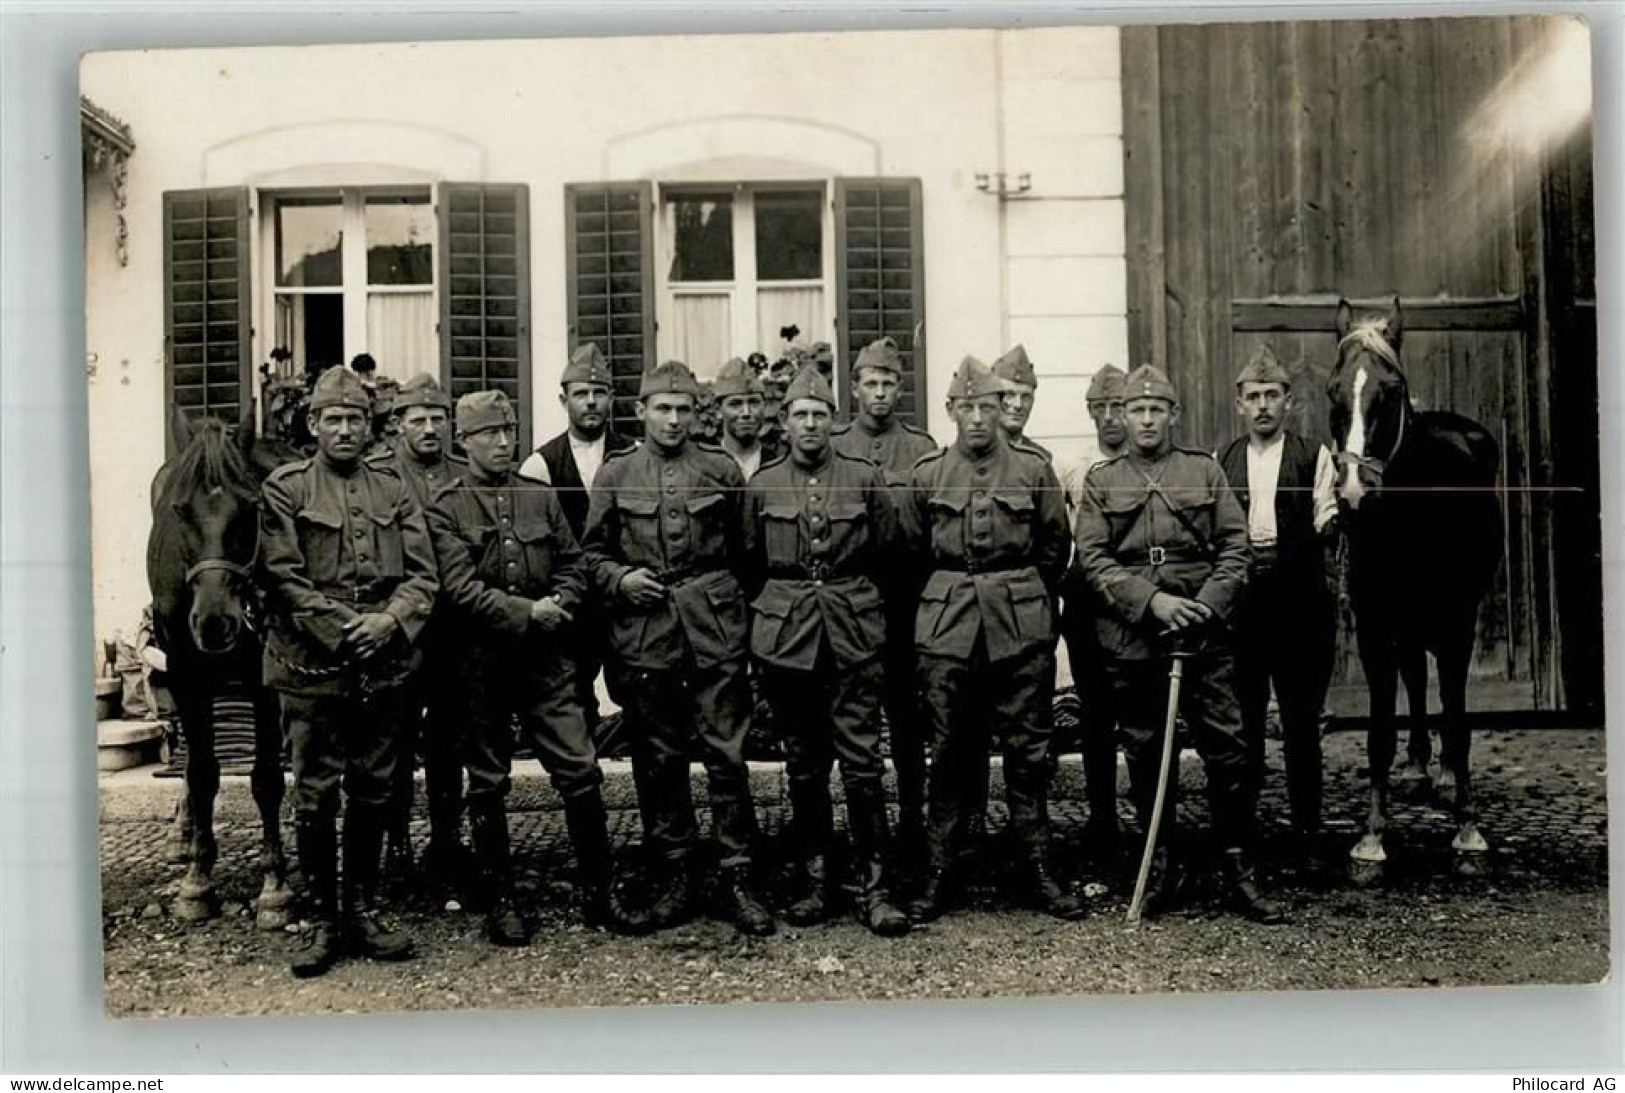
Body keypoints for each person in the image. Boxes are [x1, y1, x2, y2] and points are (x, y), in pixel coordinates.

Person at [426, 390, 650, 944]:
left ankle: (600, 895)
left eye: (508, 432)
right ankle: (501, 900)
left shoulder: (539, 497)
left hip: (547, 661)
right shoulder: (446, 507)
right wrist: (530, 612)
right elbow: (460, 589)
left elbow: (574, 563)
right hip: (481, 664)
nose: (502, 443)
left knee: (579, 767)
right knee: (488, 779)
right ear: (465, 442)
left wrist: (563, 605)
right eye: (488, 435)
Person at [1073, 364, 1285, 923]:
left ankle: (1238, 865)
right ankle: (1160, 859)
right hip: (1135, 638)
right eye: (1136, 410)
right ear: (1122, 415)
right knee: (1145, 751)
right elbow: (1093, 560)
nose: (1145, 419)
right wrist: (1152, 603)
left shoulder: (1204, 471)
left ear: (1174, 415)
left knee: (1230, 747)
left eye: (1156, 409)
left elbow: (1236, 547)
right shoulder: (1102, 481)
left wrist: (1206, 607)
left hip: (1204, 637)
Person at [580, 360, 774, 937]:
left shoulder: (718, 469)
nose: (672, 419)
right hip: (646, 635)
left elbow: (749, 555)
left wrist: (727, 608)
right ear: (640, 412)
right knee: (658, 759)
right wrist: (620, 579)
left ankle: (737, 874)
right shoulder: (616, 474)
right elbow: (590, 555)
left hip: (714, 629)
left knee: (727, 754)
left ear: (697, 414)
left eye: (683, 409)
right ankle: (677, 873)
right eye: (661, 409)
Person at [258, 366, 438, 977]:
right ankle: (319, 920)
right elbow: (283, 578)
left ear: (370, 426)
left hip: (386, 664)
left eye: (354, 419)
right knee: (314, 791)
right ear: (312, 425)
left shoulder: (394, 488)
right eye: (332, 419)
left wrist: (389, 621)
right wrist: (346, 626)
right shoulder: (286, 489)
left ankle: (362, 910)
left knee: (374, 787)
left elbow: (423, 575)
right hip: (311, 666)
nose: (344, 429)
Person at [901, 356, 1083, 923]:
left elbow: (1054, 547)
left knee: (1028, 756)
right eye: (967, 407)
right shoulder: (930, 473)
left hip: (1019, 629)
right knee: (950, 752)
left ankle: (1039, 870)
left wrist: (1025, 599)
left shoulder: (1032, 469)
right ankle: (938, 873)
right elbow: (911, 553)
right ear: (951, 411)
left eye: (988, 406)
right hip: (948, 631)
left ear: (1002, 408)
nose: (978, 417)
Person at [741, 366, 910, 937]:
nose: (810, 424)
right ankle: (814, 882)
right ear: (784, 424)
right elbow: (749, 566)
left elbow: (890, 556)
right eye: (799, 416)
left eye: (819, 415)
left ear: (833, 421)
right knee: (805, 766)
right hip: (788, 640)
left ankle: (876, 886)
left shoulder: (862, 477)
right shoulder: (762, 485)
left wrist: (866, 614)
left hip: (853, 634)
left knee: (862, 765)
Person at [1217, 347, 1340, 853]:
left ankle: (1307, 829)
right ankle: (1243, 834)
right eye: (1253, 398)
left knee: (1300, 722)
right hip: (1244, 607)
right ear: (1240, 405)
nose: (1263, 406)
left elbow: (1327, 522)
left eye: (1272, 396)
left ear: (1289, 402)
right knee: (1243, 721)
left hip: (1300, 604)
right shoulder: (1221, 459)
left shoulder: (1315, 455)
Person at [830, 336, 938, 848]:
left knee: (907, 715)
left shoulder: (921, 448)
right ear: (854, 389)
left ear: (901, 389)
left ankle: (915, 821)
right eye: (870, 383)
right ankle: (859, 832)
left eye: (888, 383)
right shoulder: (832, 447)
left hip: (904, 599)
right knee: (853, 716)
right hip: (850, 601)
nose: (880, 393)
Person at [517, 343, 637, 732]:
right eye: (581, 395)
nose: (590, 403)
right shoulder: (540, 464)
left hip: (622, 594)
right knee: (573, 689)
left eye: (599, 393)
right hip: (572, 601)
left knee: (634, 685)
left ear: (612, 399)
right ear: (563, 400)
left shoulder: (633, 455)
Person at [380, 373, 469, 887]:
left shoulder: (464, 473)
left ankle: (447, 839)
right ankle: (396, 841)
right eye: (419, 420)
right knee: (394, 738)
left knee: (449, 739)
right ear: (398, 425)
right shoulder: (381, 477)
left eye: (438, 419)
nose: (430, 428)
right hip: (402, 633)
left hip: (455, 631)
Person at [1057, 364, 1131, 859]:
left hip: (1135, 607)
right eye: (1099, 409)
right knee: (1096, 719)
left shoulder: (1147, 464)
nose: (1110, 418)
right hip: (1087, 606)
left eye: (1118, 407)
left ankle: (1153, 824)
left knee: (1141, 715)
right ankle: (1102, 819)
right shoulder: (1073, 469)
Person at [712, 356, 779, 479]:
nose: (746, 413)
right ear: (718, 410)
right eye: (735, 404)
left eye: (754, 402)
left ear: (764, 406)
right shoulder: (706, 465)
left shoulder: (778, 462)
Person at [991, 344, 1052, 461]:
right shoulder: (971, 456)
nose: (1018, 404)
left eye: (1026, 397)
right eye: (1009, 394)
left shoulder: (1041, 460)